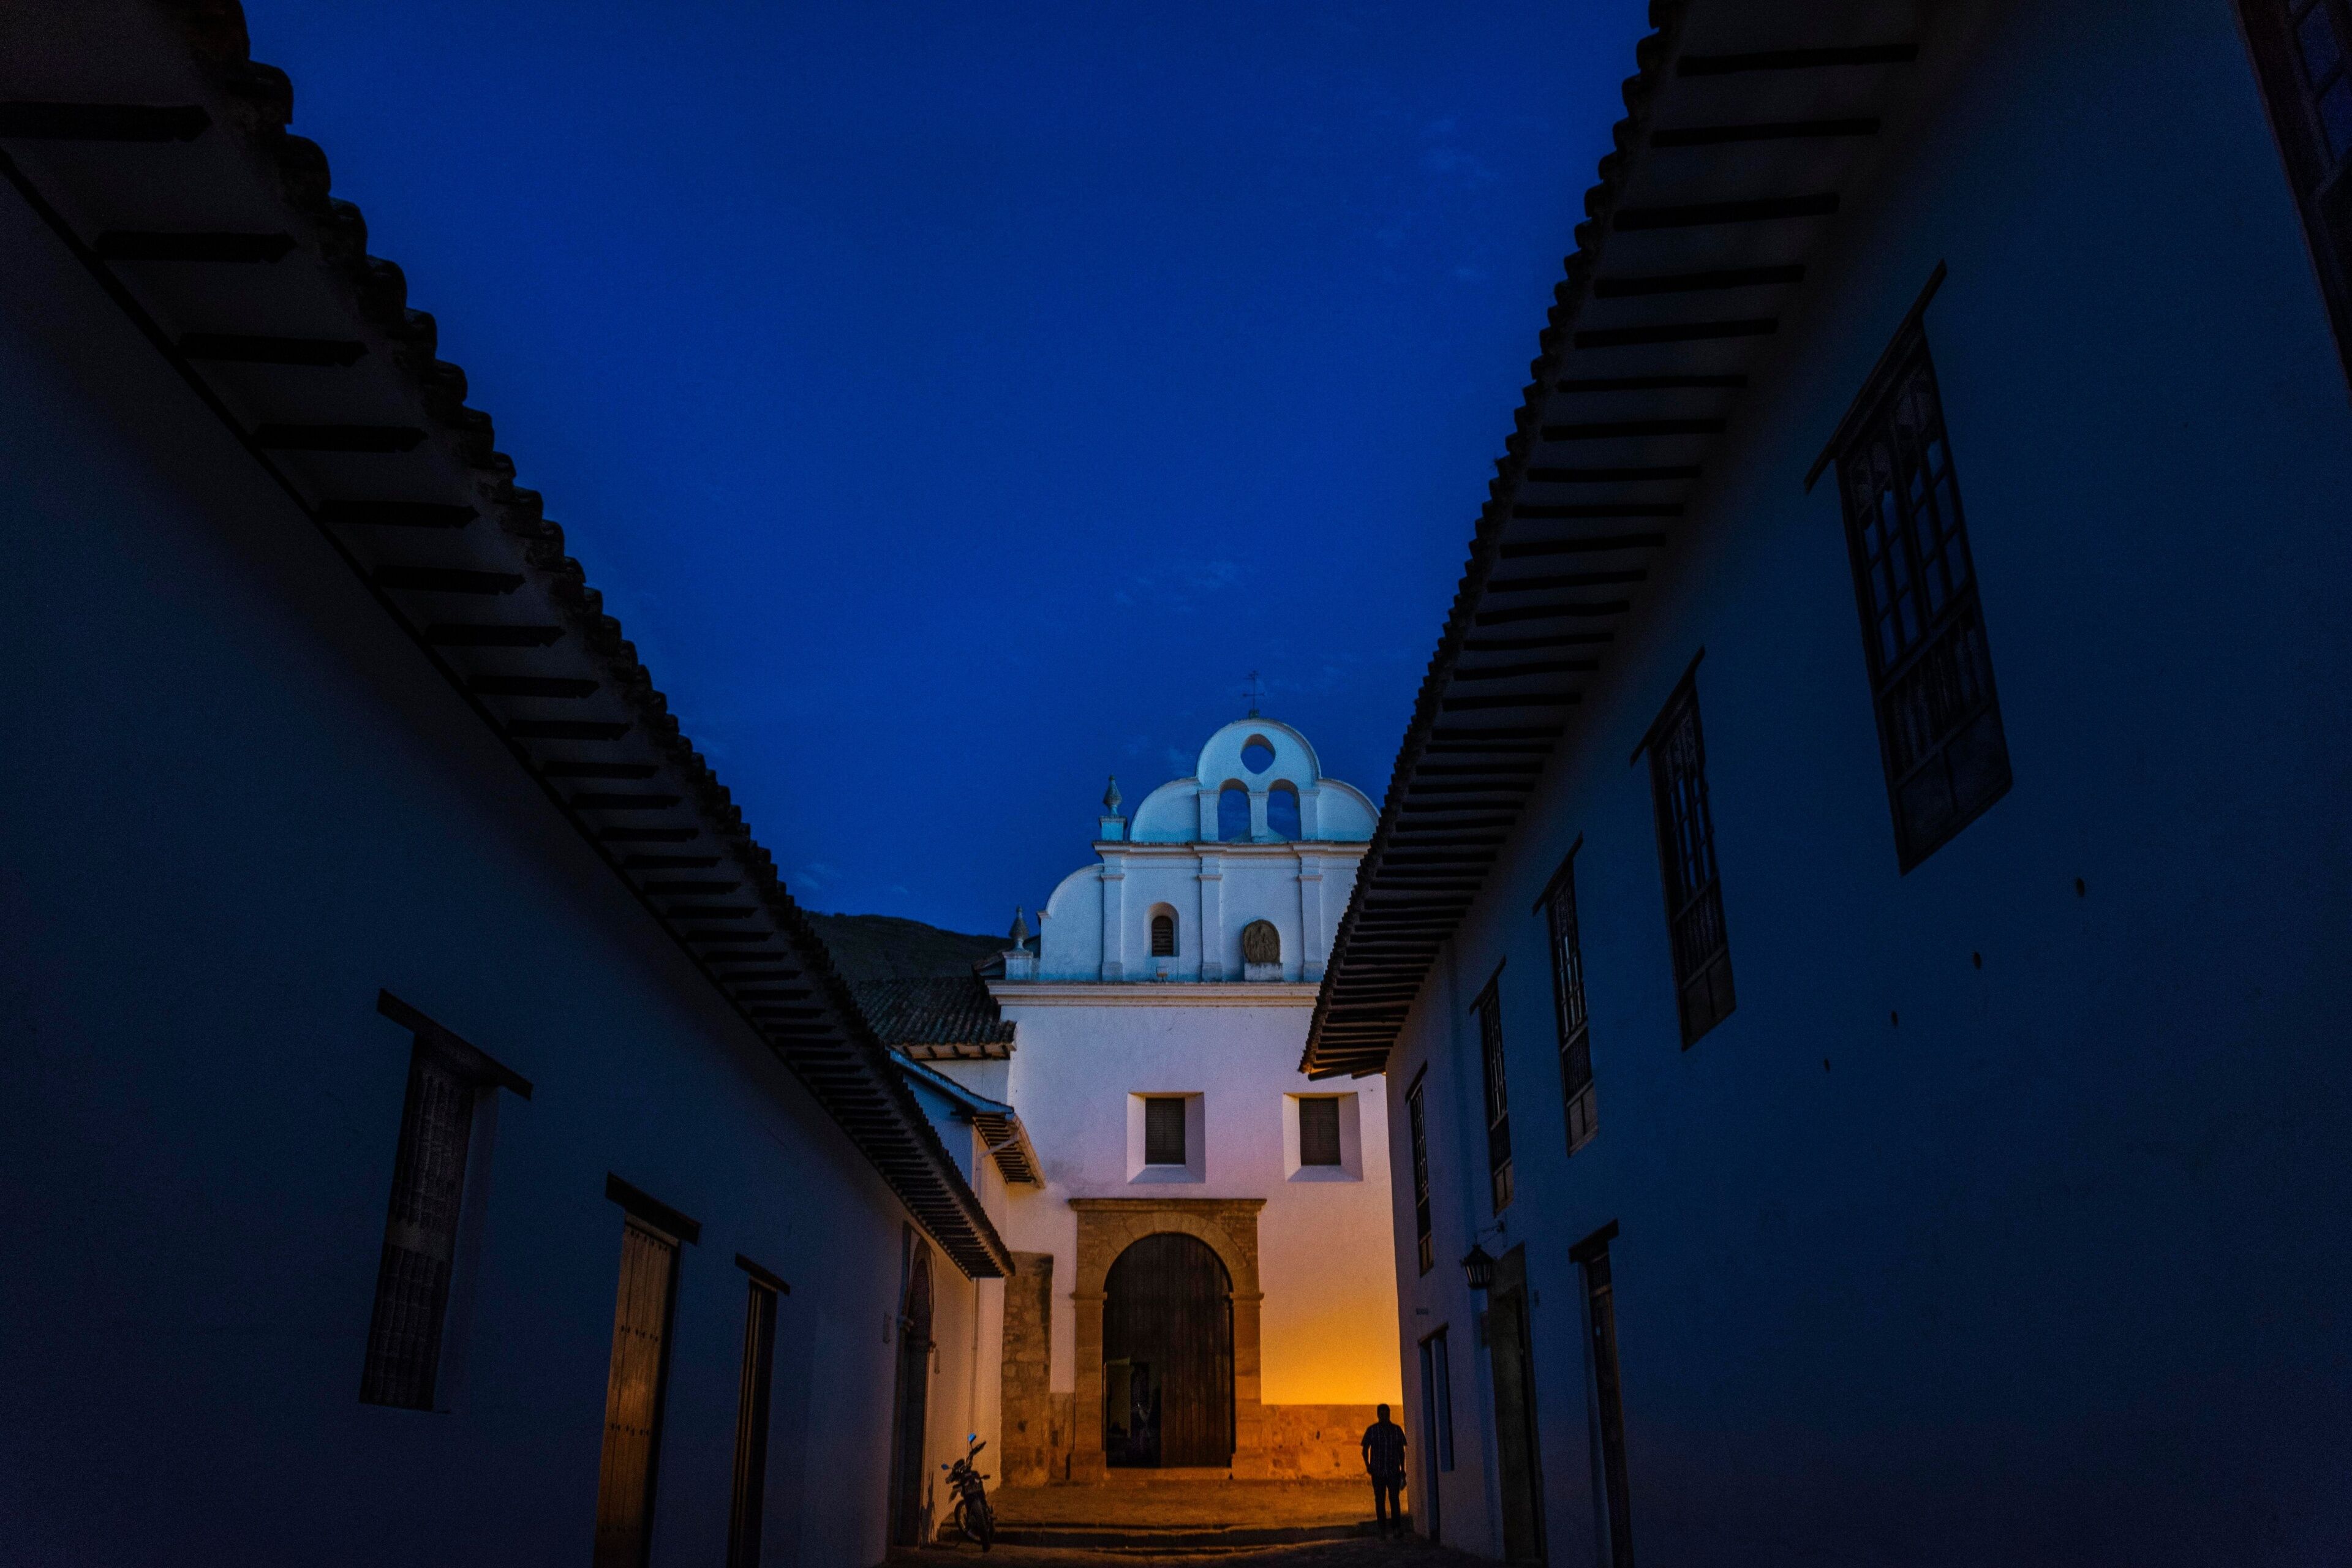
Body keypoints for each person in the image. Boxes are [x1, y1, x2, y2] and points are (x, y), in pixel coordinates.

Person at [1361, 1403, 1408, 1537]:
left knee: (1395, 1500)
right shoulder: (1372, 1430)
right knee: (1380, 1501)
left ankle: (1396, 1528)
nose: (1384, 1417)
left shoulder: (1397, 1430)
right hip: (1378, 1471)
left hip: (1393, 1471)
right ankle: (1382, 1529)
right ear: (1378, 1415)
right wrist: (1368, 1465)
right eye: (1381, 1414)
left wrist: (1403, 1469)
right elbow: (1365, 1449)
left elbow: (1401, 1451)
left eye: (1386, 1414)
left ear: (1389, 1414)